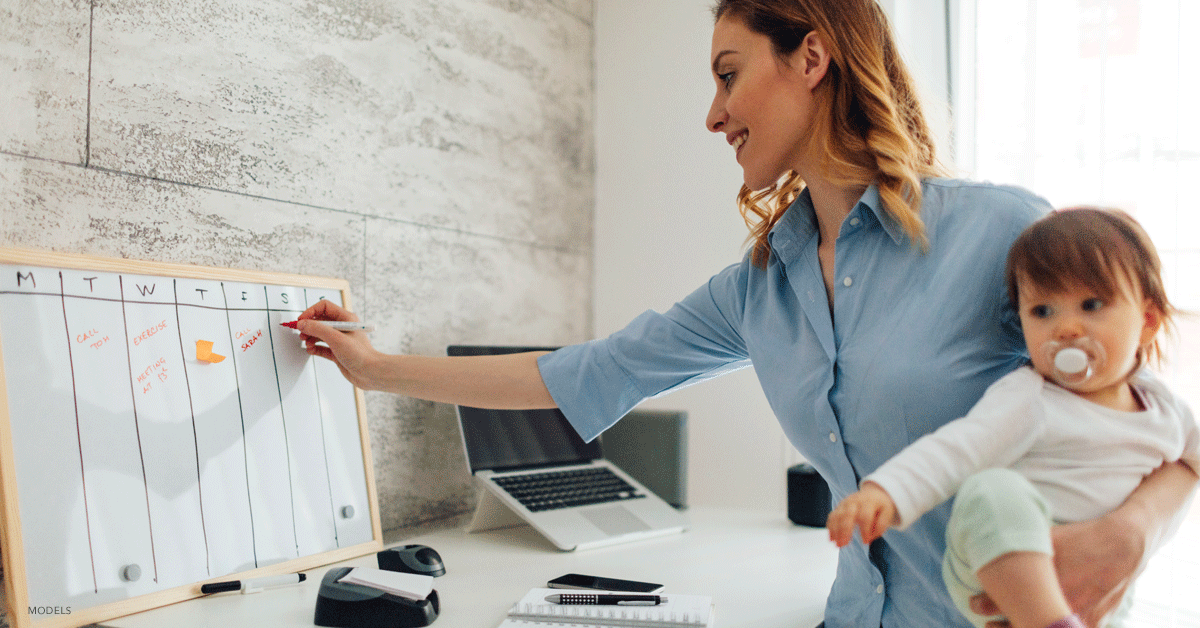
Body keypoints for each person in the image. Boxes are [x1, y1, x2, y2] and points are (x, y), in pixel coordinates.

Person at [295, 1, 1199, 626]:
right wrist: (374, 370)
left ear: (811, 56)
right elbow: (580, 372)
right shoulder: (761, 285)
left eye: (729, 75)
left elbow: (1165, 423)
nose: (712, 114)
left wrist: (1127, 535)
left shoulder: (999, 231)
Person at [825, 208, 1200, 628]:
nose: (1067, 328)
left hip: (1098, 584)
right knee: (992, 489)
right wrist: (886, 492)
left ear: (1147, 322)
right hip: (996, 559)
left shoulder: (1166, 409)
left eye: (1091, 305)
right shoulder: (1031, 397)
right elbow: (958, 448)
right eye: (1042, 311)